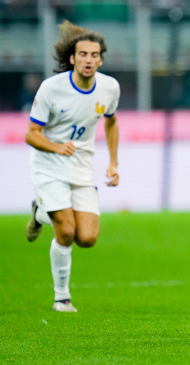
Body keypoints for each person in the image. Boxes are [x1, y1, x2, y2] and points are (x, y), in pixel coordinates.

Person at [24, 20, 120, 313]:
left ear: (100, 59)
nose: (88, 60)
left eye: (94, 55)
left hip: (81, 166)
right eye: (82, 54)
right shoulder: (51, 89)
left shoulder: (109, 87)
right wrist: (56, 146)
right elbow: (30, 133)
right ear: (72, 58)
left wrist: (113, 162)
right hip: (49, 164)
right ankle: (61, 298)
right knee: (65, 231)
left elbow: (112, 121)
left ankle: (40, 212)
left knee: (87, 238)